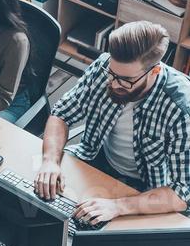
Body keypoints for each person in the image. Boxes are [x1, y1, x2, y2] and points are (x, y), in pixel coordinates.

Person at [35, 21, 190, 225]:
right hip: (95, 157)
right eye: (112, 73)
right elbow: (61, 114)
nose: (114, 83)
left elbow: (182, 193)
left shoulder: (181, 109)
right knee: (40, 204)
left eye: (126, 80)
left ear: (154, 72)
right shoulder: (103, 66)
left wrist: (118, 206)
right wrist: (50, 161)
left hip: (145, 187)